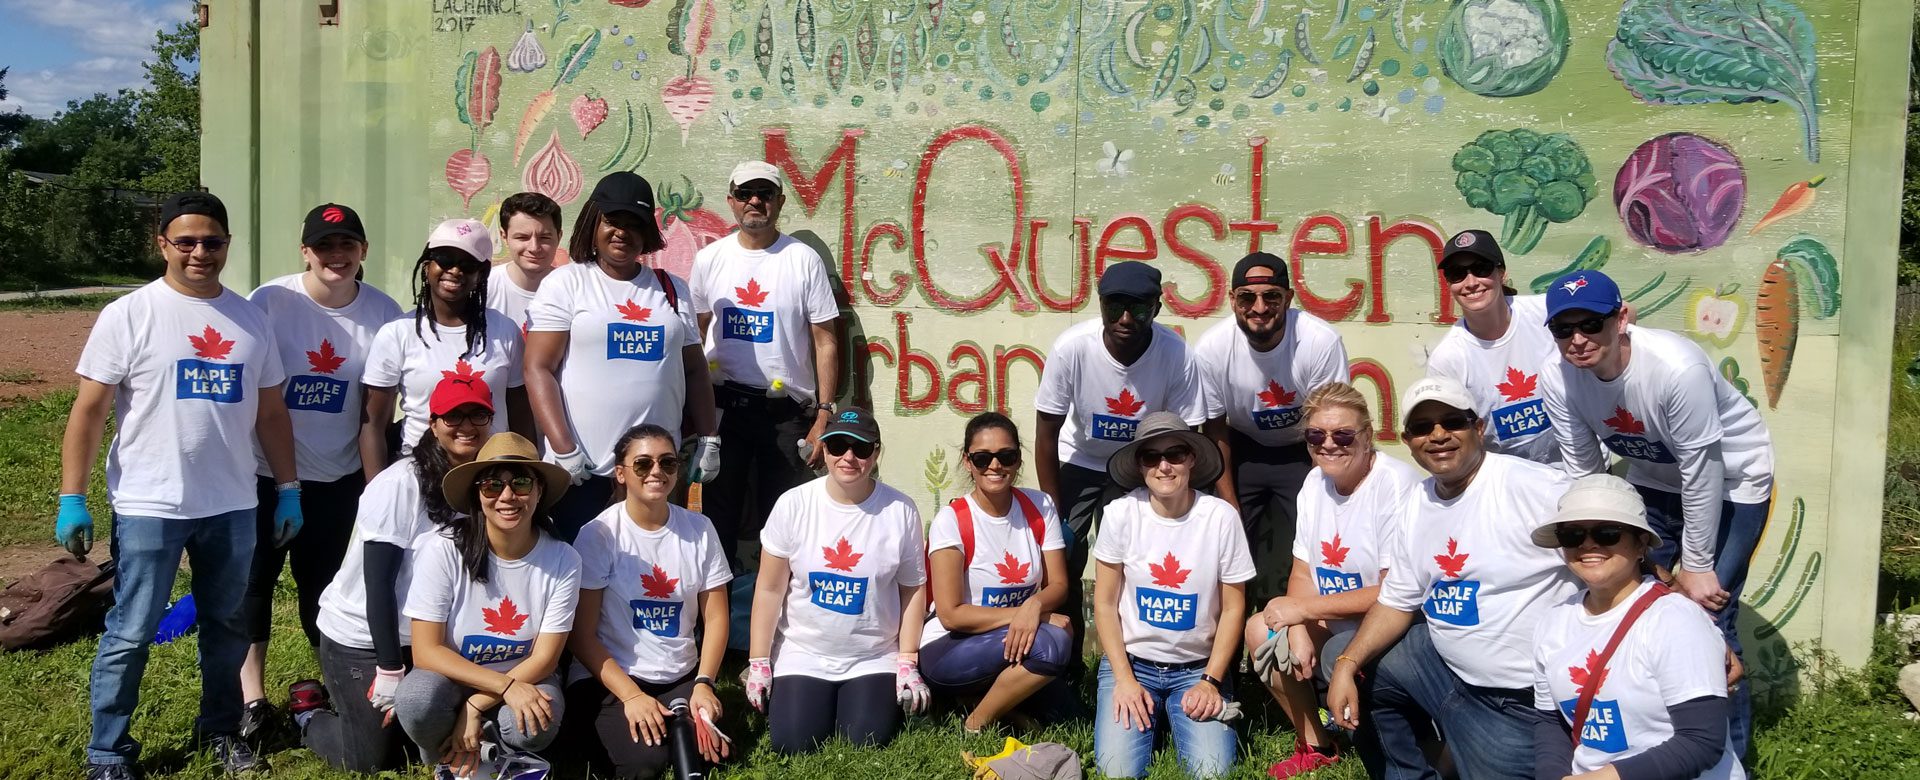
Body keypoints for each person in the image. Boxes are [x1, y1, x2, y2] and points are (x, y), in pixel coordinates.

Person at [59, 192, 302, 778]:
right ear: (162, 244)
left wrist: (288, 488)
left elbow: (271, 413)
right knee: (131, 630)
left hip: (233, 504)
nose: (200, 252)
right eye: (186, 241)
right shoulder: (130, 314)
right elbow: (89, 411)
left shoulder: (250, 319)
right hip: (150, 503)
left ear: (226, 245)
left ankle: (220, 731)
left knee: (227, 626)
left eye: (212, 241)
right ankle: (108, 753)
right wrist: (73, 497)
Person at [1538, 269, 1772, 756]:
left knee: (1709, 617)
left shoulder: (1674, 367)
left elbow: (1702, 470)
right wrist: (1598, 536)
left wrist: (1698, 567)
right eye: (1564, 329)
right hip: (1649, 479)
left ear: (1622, 318)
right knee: (1631, 600)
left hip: (1732, 482)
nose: (1578, 340)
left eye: (1592, 324)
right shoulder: (1555, 377)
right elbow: (1587, 474)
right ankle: (1650, 748)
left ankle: (1729, 760)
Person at [1325, 376, 1577, 779]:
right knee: (1343, 652)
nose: (1438, 435)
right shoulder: (1418, 502)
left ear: (1478, 428)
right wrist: (1345, 664)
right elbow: (1396, 601)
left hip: (1515, 700)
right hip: (1442, 669)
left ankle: (1460, 753)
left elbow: (1612, 555)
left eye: (1452, 422)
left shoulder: (1536, 488)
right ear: (1408, 440)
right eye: (1424, 427)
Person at [236, 202, 404, 739]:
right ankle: (252, 698)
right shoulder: (271, 302)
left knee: (327, 587)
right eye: (324, 246)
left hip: (340, 477)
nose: (337, 255)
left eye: (347, 245)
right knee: (254, 584)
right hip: (266, 473)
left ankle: (332, 683)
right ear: (305, 251)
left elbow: (382, 405)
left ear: (363, 252)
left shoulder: (384, 313)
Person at [291, 374, 492, 772]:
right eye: (453, 416)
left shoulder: (484, 481)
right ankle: (309, 714)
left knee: (426, 739)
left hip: (429, 639)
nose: (466, 426)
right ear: (433, 423)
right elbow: (378, 582)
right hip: (365, 638)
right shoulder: (400, 483)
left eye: (477, 415)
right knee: (370, 759)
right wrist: (388, 667)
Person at [1240, 382, 1420, 778]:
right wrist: (1298, 624)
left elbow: (1394, 591)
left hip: (1390, 627)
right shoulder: (1313, 483)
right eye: (1316, 435)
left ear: (1368, 436)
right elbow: (1303, 570)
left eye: (1343, 435)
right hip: (1331, 618)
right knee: (1261, 631)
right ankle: (1316, 744)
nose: (1329, 445)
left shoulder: (1395, 484)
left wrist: (1303, 611)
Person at [525, 172, 719, 539]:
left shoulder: (671, 289)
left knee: (646, 575)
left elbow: (694, 371)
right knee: (582, 581)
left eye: (635, 223)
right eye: (613, 220)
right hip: (583, 471)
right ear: (592, 222)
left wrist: (710, 438)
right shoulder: (567, 283)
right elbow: (538, 368)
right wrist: (564, 449)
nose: (622, 232)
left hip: (653, 473)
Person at [1034, 260, 1206, 656]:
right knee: (1064, 561)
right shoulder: (1072, 348)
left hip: (1140, 466)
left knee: (1136, 563)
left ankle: (1134, 659)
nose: (1126, 317)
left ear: (1157, 308)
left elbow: (1186, 437)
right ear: (1100, 305)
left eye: (1140, 307)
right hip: (1080, 460)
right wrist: (1054, 513)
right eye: (1115, 306)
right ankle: (1064, 662)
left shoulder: (1176, 354)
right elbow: (1046, 434)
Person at [1529, 474, 1745, 780]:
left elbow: (1701, 741)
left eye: (1607, 533)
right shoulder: (1552, 622)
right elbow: (1551, 721)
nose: (1588, 544)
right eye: (1573, 535)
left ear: (1641, 542)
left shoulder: (1674, 619)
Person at [743, 408, 930, 754]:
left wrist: (907, 659)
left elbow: (913, 588)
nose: (848, 457)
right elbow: (769, 590)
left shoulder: (900, 510)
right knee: (793, 743)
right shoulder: (794, 504)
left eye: (860, 449)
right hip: (804, 651)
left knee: (865, 741)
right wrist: (759, 661)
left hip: (871, 655)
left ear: (876, 453)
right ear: (824, 450)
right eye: (838, 445)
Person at [394, 432, 581, 775]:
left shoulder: (563, 558)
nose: (507, 496)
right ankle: (452, 757)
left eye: (522, 482)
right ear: (477, 495)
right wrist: (501, 687)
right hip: (454, 679)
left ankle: (497, 752)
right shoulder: (443, 550)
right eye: (492, 485)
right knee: (416, 700)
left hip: (527, 675)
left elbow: (545, 657)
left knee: (536, 721)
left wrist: (475, 705)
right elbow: (425, 651)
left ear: (539, 492)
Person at [689, 160, 843, 568]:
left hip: (786, 416)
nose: (755, 201)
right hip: (724, 412)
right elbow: (693, 337)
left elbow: (825, 340)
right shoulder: (709, 259)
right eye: (745, 194)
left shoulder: (802, 259)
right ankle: (713, 624)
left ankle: (780, 626)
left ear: (779, 201)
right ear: (731, 202)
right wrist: (690, 407)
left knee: (787, 523)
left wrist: (824, 413)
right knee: (716, 522)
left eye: (765, 193)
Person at [1091, 411, 1254, 780]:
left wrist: (1211, 680)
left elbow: (1233, 608)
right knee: (1116, 773)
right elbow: (1104, 604)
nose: (1164, 466)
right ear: (1140, 465)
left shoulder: (1220, 517)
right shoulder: (1120, 514)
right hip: (1133, 664)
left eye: (1175, 454)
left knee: (1212, 773)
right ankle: (1153, 713)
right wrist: (1124, 680)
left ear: (1192, 459)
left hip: (1198, 669)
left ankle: (1170, 715)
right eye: (1152, 457)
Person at [566, 423, 733, 779]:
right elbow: (581, 636)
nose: (656, 471)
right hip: (611, 675)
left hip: (679, 673)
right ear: (621, 473)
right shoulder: (599, 535)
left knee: (708, 754)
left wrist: (705, 682)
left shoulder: (700, 529)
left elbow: (716, 617)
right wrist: (630, 696)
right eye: (643, 464)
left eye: (667, 463)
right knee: (645, 765)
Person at [1195, 251, 1349, 599]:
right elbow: (1215, 428)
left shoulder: (1319, 341)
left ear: (1289, 299)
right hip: (1241, 445)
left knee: (1320, 533)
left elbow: (1327, 425)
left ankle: (1310, 632)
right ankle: (1225, 644)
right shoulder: (1212, 348)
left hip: (1304, 447)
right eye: (1248, 297)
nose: (1260, 308)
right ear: (1233, 300)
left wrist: (1317, 498)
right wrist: (1230, 505)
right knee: (1224, 536)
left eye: (1271, 297)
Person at [921, 412, 1073, 732]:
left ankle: (976, 700)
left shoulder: (1039, 506)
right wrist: (1027, 615)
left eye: (1006, 455)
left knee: (1065, 716)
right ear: (967, 462)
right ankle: (975, 724)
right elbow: (951, 615)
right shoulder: (953, 519)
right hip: (950, 645)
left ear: (1018, 459)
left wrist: (1034, 607)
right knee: (1053, 642)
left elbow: (1059, 584)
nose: (995, 465)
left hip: (1011, 639)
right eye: (982, 458)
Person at [363, 218, 532, 468]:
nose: (454, 270)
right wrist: (377, 491)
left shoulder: (505, 331)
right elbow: (372, 425)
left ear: (481, 273)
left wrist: (526, 474)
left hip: (489, 477)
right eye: (444, 259)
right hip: (420, 472)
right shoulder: (396, 333)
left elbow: (521, 417)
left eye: (467, 264)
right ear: (426, 265)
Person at [1424, 229, 1563, 465]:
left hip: (1577, 466)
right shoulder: (1447, 358)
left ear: (1501, 272)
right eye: (1457, 274)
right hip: (1510, 479)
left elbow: (1623, 312)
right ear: (1449, 284)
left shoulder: (1547, 312)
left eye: (1481, 269)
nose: (1470, 283)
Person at [488, 192, 565, 333]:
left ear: (559, 237)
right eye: (522, 237)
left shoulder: (571, 291)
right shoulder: (485, 289)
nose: (534, 248)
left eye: (545, 238)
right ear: (504, 237)